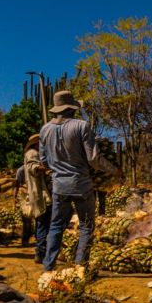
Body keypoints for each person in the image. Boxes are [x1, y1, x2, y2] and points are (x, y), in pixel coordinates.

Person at [39, 90, 116, 272]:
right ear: (72, 108)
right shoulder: (81, 126)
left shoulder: (45, 129)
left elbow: (43, 161)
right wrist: (114, 170)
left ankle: (48, 266)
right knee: (86, 226)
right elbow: (93, 159)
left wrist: (60, 165)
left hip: (58, 186)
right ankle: (80, 266)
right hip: (81, 185)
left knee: (56, 225)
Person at [24, 134, 52, 264]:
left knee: (42, 223)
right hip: (39, 194)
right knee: (43, 223)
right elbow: (32, 167)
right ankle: (40, 253)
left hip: (39, 194)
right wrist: (48, 168)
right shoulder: (32, 153)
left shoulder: (35, 153)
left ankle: (41, 251)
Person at [14, 164, 34, 246]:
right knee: (27, 219)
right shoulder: (21, 170)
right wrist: (14, 198)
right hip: (25, 196)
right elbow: (17, 184)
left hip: (35, 194)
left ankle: (38, 238)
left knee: (38, 219)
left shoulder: (36, 168)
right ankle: (25, 240)